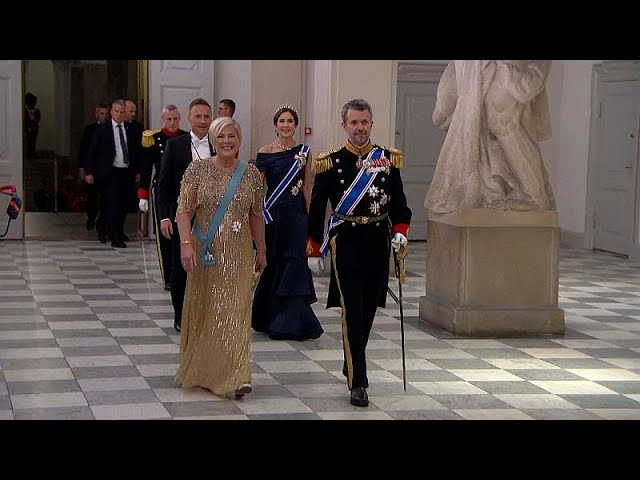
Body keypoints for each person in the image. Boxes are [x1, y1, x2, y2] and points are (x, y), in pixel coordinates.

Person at [306, 98, 412, 407]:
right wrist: (314, 247)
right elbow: (316, 208)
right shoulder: (331, 162)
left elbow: (400, 205)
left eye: (364, 122)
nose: (360, 128)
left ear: (371, 124)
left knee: (368, 307)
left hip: (377, 239)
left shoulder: (388, 161)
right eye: (354, 122)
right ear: (344, 126)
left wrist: (400, 233)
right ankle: (358, 381)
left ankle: (352, 360)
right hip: (346, 241)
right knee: (352, 307)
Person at [175, 116, 266, 399]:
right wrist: (186, 244)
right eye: (222, 137)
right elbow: (183, 211)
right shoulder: (197, 170)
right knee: (208, 311)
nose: (227, 141)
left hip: (238, 253)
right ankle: (206, 369)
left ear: (239, 140)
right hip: (206, 253)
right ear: (213, 140)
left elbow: (256, 215)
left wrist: (261, 250)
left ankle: (237, 375)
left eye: (232, 137)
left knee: (237, 311)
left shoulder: (251, 174)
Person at [425, 60, 555, 214]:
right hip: (479, 68)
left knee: (504, 124)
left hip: (505, 70)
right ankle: (493, 189)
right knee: (483, 126)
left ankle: (536, 196)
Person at [251, 105, 324, 341]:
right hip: (273, 217)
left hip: (296, 217)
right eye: (281, 121)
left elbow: (307, 187)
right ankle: (269, 317)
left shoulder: (304, 152)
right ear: (275, 125)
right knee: (274, 262)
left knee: (294, 262)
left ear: (296, 125)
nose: (285, 125)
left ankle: (291, 322)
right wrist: (256, 214)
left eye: (290, 121)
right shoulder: (265, 152)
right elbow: (256, 188)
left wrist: (308, 218)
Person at [157, 98, 213, 332]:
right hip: (183, 216)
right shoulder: (175, 145)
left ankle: (207, 315)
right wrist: (165, 216)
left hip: (213, 217)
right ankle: (181, 316)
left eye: (206, 117)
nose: (202, 121)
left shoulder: (220, 143)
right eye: (198, 116)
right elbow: (165, 184)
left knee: (210, 267)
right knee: (181, 267)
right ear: (189, 118)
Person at [138, 104, 187, 291]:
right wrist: (142, 194)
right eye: (169, 119)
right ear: (163, 119)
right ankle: (169, 276)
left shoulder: (185, 137)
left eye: (175, 119)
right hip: (162, 190)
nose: (172, 123)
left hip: (183, 190)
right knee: (165, 234)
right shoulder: (153, 139)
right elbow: (145, 167)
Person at [85, 99, 140, 248]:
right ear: (111, 112)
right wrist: (89, 171)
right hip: (110, 172)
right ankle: (112, 235)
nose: (119, 114)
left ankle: (118, 231)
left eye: (122, 112)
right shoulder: (103, 129)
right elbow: (92, 151)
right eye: (116, 111)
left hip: (126, 171)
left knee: (123, 204)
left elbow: (134, 151)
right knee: (111, 203)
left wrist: (136, 171)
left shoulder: (130, 129)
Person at [78, 103, 110, 232]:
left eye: (106, 114)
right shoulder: (90, 129)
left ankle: (102, 222)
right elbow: (84, 149)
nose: (104, 116)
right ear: (97, 114)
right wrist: (82, 168)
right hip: (92, 169)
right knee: (91, 196)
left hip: (106, 170)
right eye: (101, 113)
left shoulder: (112, 128)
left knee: (105, 197)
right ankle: (91, 217)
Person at [24, 92, 41, 159]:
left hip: (34, 129)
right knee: (28, 142)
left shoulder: (37, 111)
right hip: (27, 129)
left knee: (33, 142)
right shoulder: (25, 111)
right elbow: (25, 121)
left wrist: (32, 117)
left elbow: (37, 120)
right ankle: (28, 155)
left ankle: (32, 154)